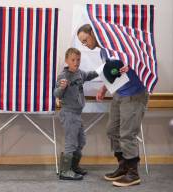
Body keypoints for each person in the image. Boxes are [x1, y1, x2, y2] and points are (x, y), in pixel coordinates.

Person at [77, 24, 149, 187]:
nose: (85, 44)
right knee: (112, 130)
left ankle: (133, 173)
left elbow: (137, 57)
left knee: (127, 134)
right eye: (82, 42)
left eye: (85, 40)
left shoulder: (119, 44)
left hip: (134, 94)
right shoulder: (104, 51)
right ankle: (123, 166)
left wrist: (130, 65)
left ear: (93, 34)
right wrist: (103, 88)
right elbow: (113, 72)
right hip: (119, 93)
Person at [54, 48, 98, 180]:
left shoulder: (80, 74)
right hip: (69, 114)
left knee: (81, 141)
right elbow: (56, 94)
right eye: (73, 60)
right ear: (67, 61)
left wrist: (102, 69)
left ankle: (73, 166)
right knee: (71, 142)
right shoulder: (63, 76)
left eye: (78, 59)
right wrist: (61, 87)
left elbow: (90, 75)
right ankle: (65, 171)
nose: (76, 62)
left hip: (77, 114)